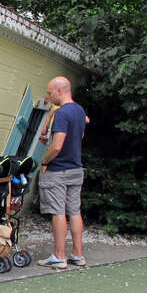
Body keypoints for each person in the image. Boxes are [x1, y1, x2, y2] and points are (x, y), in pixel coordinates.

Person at [37, 77, 87, 269]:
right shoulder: (80, 111)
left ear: (59, 90)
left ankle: (59, 256)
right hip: (76, 169)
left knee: (58, 213)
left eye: (50, 93)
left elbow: (57, 146)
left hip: (58, 171)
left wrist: (44, 160)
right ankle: (77, 255)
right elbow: (78, 137)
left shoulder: (62, 113)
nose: (49, 97)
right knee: (74, 211)